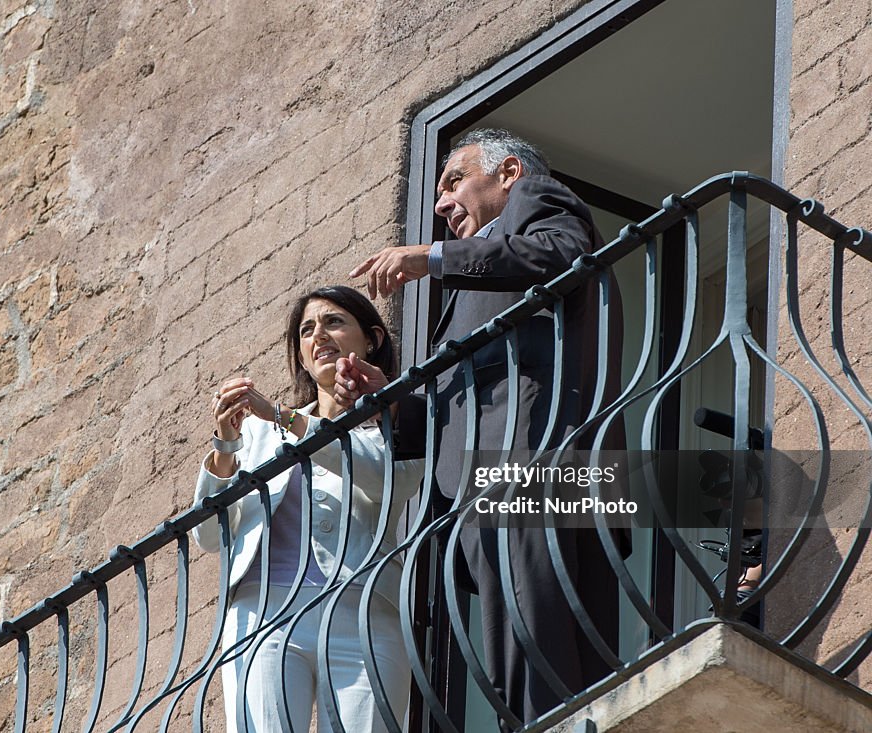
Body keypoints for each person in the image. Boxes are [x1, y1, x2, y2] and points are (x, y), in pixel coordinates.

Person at [340, 129, 626, 725]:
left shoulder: (537, 201)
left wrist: (431, 258)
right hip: (485, 478)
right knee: (519, 643)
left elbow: (561, 252)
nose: (442, 205)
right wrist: (388, 405)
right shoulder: (477, 274)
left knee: (538, 631)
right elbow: (452, 413)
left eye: (454, 181)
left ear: (509, 173)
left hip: (533, 457)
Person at [192, 285, 423, 733]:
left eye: (334, 321)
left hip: (362, 612)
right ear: (300, 356)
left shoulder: (394, 423)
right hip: (263, 615)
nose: (319, 334)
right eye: (307, 329)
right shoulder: (260, 437)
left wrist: (283, 416)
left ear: (371, 338)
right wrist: (224, 447)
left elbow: (383, 480)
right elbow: (208, 536)